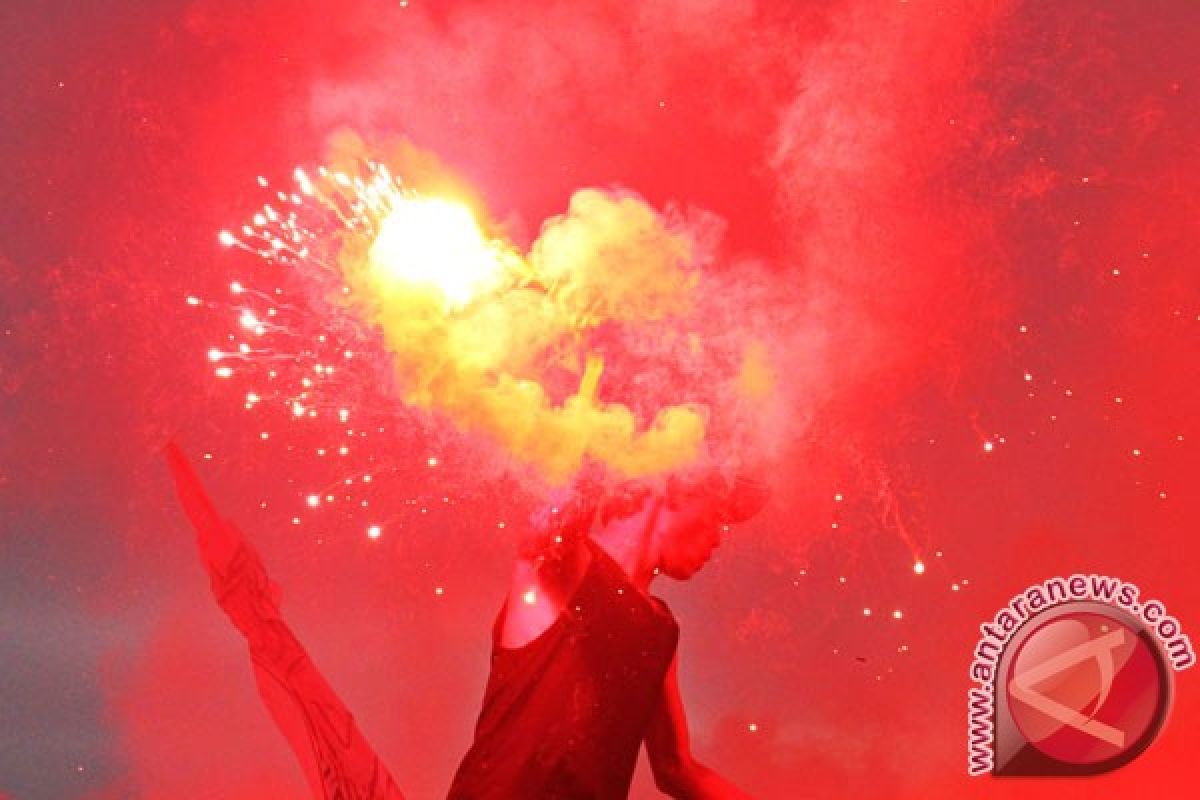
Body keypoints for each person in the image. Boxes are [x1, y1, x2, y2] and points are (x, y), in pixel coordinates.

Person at [166, 442, 767, 799]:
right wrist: (582, 451)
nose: (721, 538)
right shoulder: (564, 570)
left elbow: (677, 770)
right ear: (670, 486)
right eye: (719, 517)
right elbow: (543, 533)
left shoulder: (660, 629)